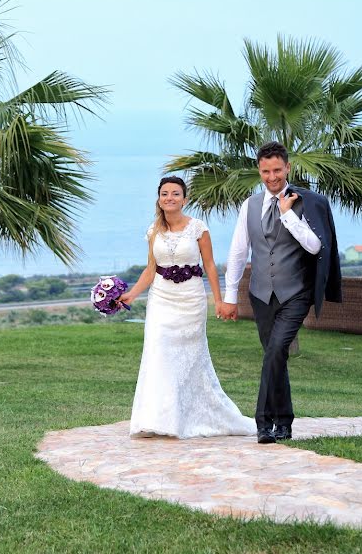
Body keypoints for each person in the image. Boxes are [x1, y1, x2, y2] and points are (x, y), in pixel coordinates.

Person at [217, 141, 342, 444]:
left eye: (277, 170)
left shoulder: (307, 202)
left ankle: (263, 423)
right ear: (259, 171)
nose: (272, 177)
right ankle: (284, 423)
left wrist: (288, 215)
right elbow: (237, 252)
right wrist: (229, 295)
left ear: (288, 168)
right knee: (276, 357)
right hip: (260, 294)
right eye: (265, 171)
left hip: (295, 293)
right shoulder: (249, 205)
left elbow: (315, 246)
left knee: (275, 351)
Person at [118, 176, 256, 439]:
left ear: (185, 199)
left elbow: (211, 266)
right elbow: (150, 269)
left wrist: (218, 299)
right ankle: (155, 420)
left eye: (175, 194)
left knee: (189, 361)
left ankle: (188, 418)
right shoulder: (153, 231)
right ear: (158, 198)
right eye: (165, 194)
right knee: (158, 352)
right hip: (161, 298)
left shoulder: (198, 228)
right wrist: (132, 295)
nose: (170, 198)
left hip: (191, 300)